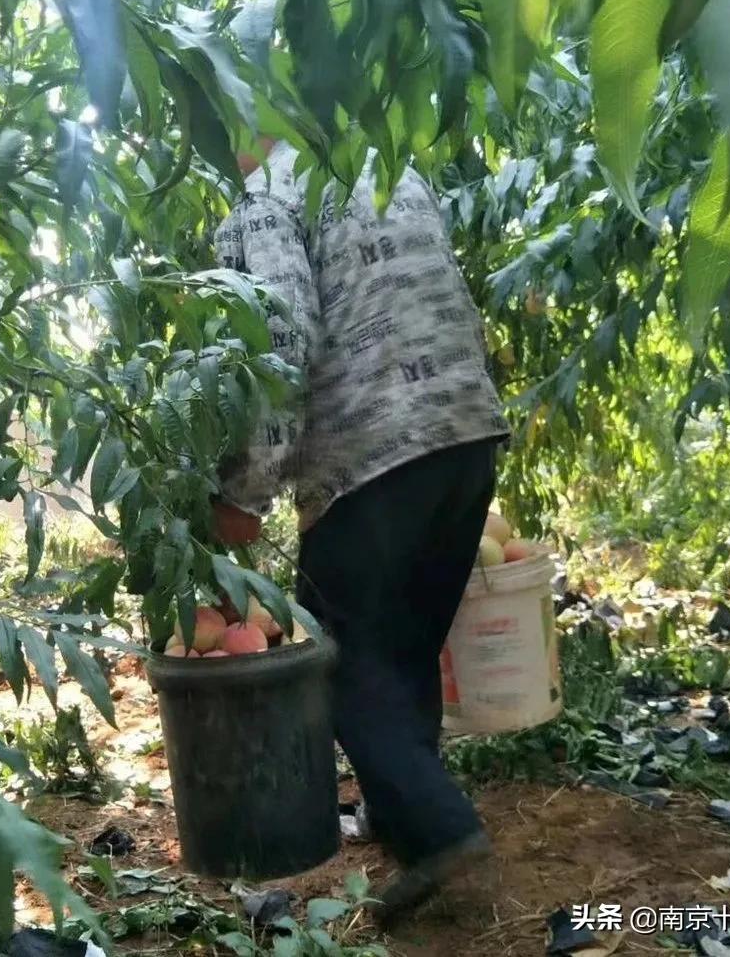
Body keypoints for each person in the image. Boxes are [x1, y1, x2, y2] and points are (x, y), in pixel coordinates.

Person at [211, 137, 510, 923]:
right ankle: (402, 810)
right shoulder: (387, 165)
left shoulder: (267, 198)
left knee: (334, 663)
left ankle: (442, 831)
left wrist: (247, 486)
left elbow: (278, 339)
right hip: (467, 436)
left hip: (370, 456)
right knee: (402, 643)